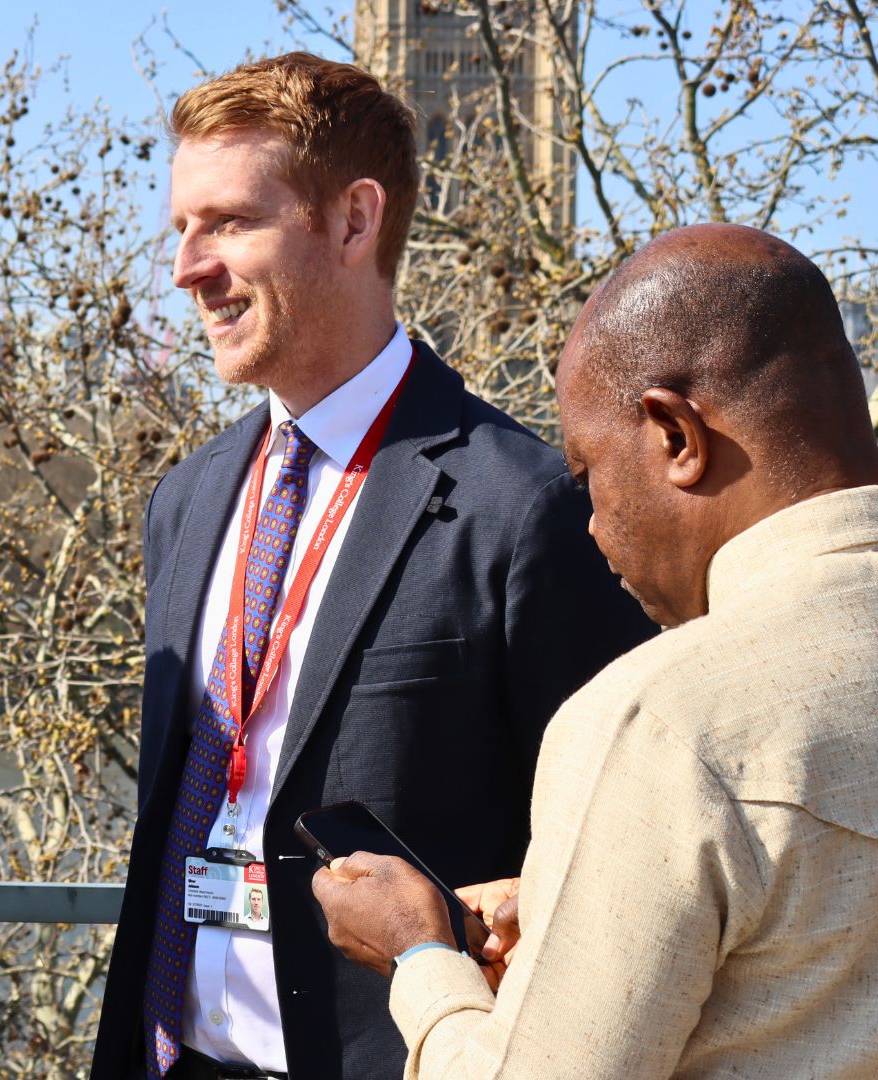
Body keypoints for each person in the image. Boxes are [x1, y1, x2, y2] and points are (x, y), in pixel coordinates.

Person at [88, 54, 652, 1080]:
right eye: (181, 228)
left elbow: (614, 868)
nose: (185, 268)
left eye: (227, 224)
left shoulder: (523, 509)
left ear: (353, 221)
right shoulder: (187, 501)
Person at [312, 223, 878, 1079]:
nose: (592, 527)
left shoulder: (663, 721)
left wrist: (419, 958)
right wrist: (556, 902)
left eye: (587, 477)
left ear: (677, 437)